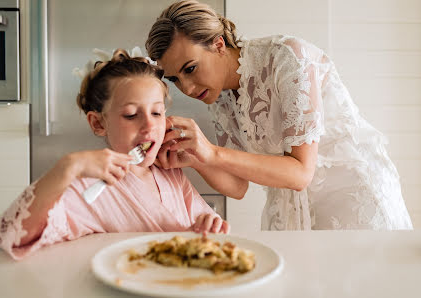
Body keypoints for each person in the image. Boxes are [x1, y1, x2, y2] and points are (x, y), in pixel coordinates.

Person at [145, 0, 413, 230]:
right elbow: (238, 186)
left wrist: (211, 152)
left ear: (218, 44)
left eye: (190, 69)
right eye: (175, 79)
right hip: (291, 211)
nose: (187, 89)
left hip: (353, 200)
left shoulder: (288, 57)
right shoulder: (220, 97)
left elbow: (300, 173)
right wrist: (195, 157)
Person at [0, 49, 229, 260]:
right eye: (130, 115)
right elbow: (12, 236)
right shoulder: (88, 187)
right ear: (98, 123)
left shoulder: (173, 177)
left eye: (156, 113)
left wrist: (207, 227)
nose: (149, 126)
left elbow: (206, 233)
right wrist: (67, 167)